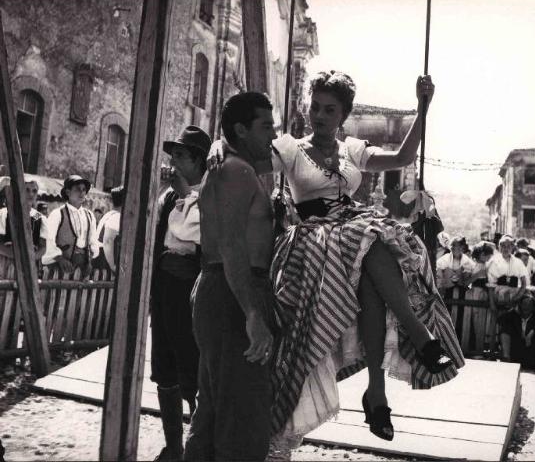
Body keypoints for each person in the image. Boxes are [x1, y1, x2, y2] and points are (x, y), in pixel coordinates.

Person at [210, 72, 464, 450]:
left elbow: (403, 157)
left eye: (330, 110)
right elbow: (247, 150)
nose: (320, 116)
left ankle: (377, 393)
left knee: (374, 270)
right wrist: (219, 145)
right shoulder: (291, 149)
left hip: (354, 236)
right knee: (372, 239)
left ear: (344, 115)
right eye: (315, 107)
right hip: (315, 240)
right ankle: (415, 341)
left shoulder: (353, 150)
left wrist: (423, 109)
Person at [184, 93, 276, 461]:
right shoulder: (236, 170)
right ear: (241, 128)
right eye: (266, 126)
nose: (273, 134)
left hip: (222, 289)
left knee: (213, 410)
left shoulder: (234, 165)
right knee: (241, 419)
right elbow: (232, 245)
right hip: (233, 291)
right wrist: (252, 313)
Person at [151, 126, 210, 461]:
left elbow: (193, 231)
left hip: (193, 286)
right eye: (172, 155)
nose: (173, 162)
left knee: (192, 361)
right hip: (165, 284)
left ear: (198, 161)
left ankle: (197, 441)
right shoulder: (170, 195)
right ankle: (173, 444)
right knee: (164, 362)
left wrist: (186, 192)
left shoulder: (208, 194)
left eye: (181, 156)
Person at [42, 175, 100, 277]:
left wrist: (89, 261)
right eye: (77, 189)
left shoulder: (89, 216)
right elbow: (48, 240)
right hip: (59, 268)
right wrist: (59, 258)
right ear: (68, 192)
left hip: (81, 269)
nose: (82, 193)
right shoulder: (58, 214)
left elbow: (93, 242)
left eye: (84, 190)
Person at [0, 178, 48, 278]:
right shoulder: (5, 213)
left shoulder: (39, 217)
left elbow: (43, 247)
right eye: (27, 190)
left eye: (34, 191)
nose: (31, 194)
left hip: (29, 266)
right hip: (6, 263)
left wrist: (31, 258)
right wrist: (18, 256)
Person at [498, 291, 535, 371]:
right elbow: (501, 319)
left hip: (530, 354)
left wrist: (532, 332)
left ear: (533, 307)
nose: (526, 307)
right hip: (515, 352)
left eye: (529, 304)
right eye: (524, 304)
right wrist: (513, 308)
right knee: (505, 329)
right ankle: (506, 359)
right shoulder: (513, 317)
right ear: (520, 306)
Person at [487, 235, 529, 311]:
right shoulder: (493, 261)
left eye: (509, 246)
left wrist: (516, 298)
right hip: (498, 298)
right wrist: (492, 304)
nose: (506, 248)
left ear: (512, 247)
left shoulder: (518, 262)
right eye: (503, 246)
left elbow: (524, 283)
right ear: (499, 247)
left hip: (515, 297)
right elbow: (490, 286)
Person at [93, 185, 124, 273]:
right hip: (104, 259)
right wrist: (112, 265)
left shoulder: (109, 214)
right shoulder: (117, 217)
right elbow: (108, 241)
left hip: (102, 256)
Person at [436, 236, 475, 301]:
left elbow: (472, 275)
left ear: (461, 247)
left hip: (462, 293)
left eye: (454, 245)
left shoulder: (467, 261)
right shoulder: (444, 259)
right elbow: (438, 274)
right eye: (451, 245)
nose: (452, 247)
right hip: (446, 292)